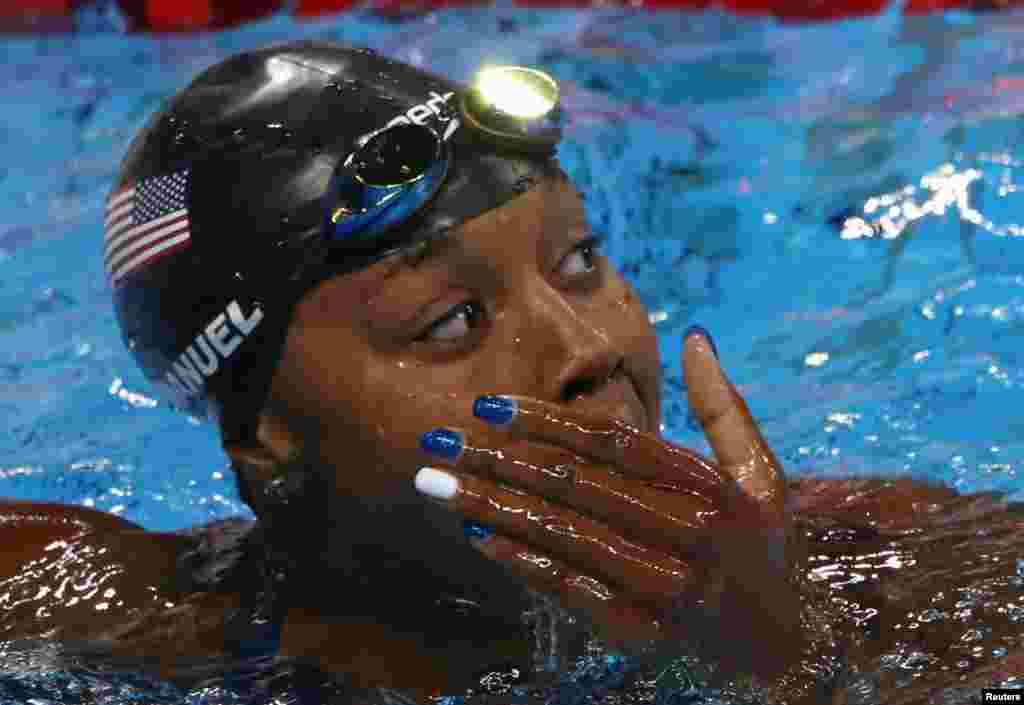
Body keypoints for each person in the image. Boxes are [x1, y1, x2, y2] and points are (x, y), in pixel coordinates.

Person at [1, 40, 1021, 705]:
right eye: (450, 319)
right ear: (266, 435)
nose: (585, 350)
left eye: (579, 261)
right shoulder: (136, 618)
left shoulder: (889, 566)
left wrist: (782, 671)